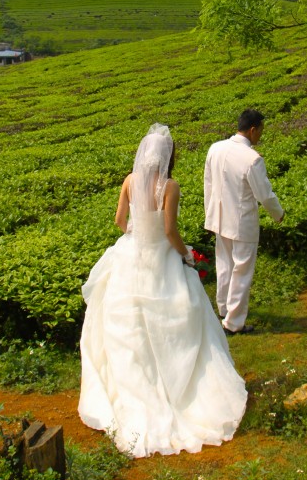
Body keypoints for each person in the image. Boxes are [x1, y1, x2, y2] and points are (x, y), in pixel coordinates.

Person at [78, 123, 247, 458]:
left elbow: (118, 220)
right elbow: (170, 230)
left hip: (132, 253)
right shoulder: (170, 186)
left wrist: (133, 235)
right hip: (162, 258)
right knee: (184, 312)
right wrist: (185, 255)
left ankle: (134, 392)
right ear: (167, 157)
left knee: (126, 324)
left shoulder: (129, 181)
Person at [204, 109, 284, 336]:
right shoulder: (252, 159)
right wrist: (278, 214)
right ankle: (234, 322)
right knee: (242, 270)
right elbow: (265, 194)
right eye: (260, 131)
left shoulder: (215, 148)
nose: (260, 136)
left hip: (220, 217)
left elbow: (208, 184)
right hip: (242, 222)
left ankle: (224, 308)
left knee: (225, 264)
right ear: (252, 129)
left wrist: (210, 215)